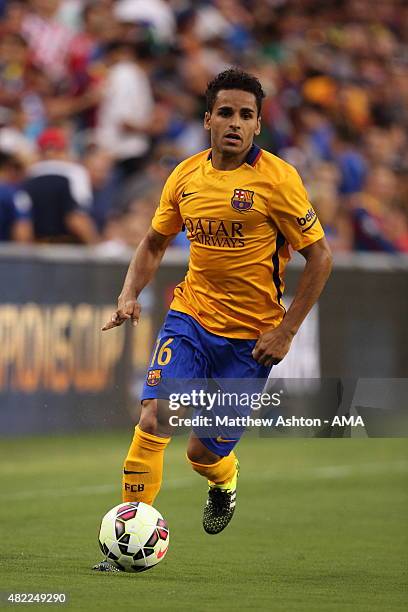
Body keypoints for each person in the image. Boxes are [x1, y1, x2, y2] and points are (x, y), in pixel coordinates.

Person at [95, 68, 332, 571]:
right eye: (225, 112)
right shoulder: (185, 176)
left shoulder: (279, 181)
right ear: (208, 120)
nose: (235, 123)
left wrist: (286, 329)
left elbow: (321, 257)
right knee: (155, 416)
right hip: (191, 316)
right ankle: (128, 542)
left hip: (251, 339)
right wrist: (127, 293)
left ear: (258, 126)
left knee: (201, 453)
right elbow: (155, 242)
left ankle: (224, 481)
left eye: (246, 115)